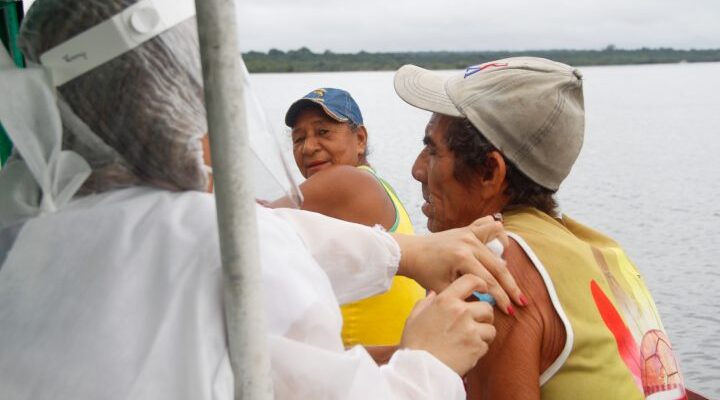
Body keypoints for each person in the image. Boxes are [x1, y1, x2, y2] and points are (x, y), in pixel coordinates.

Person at [0, 1, 523, 399]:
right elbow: (245, 239)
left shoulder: (26, 244)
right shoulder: (215, 242)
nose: (308, 147)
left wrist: (406, 253)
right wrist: (427, 363)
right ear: (187, 96)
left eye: (325, 131)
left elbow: (261, 230)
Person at [393, 57, 700, 399]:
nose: (417, 170)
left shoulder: (496, 265)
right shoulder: (598, 248)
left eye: (432, 150)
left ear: (489, 173)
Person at [281, 88, 424, 347]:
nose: (308, 147)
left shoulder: (346, 182)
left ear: (360, 139)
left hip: (373, 369)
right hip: (393, 359)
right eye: (298, 138)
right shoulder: (377, 184)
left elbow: (250, 221)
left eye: (323, 132)